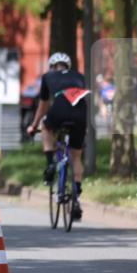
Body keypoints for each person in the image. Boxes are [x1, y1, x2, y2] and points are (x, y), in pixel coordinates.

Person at [27, 52, 88, 221]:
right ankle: (76, 197)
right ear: (68, 66)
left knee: (46, 128)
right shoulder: (80, 76)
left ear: (52, 66)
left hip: (59, 108)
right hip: (80, 112)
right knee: (76, 156)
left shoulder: (48, 77)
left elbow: (43, 105)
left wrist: (33, 126)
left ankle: (50, 164)